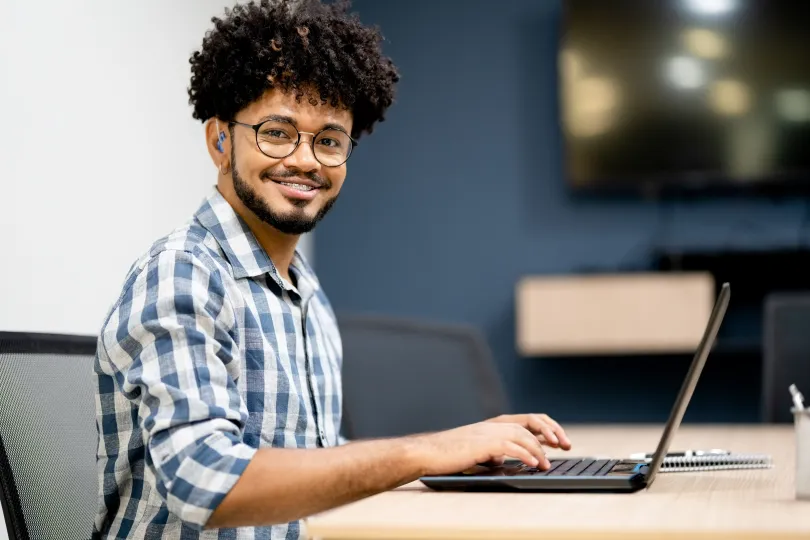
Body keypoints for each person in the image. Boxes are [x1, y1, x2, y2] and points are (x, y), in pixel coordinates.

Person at [92, 1, 572, 538]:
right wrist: (426, 450)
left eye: (329, 141)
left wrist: (459, 450)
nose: (305, 160)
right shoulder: (183, 274)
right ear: (220, 141)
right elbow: (207, 480)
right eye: (277, 131)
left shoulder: (306, 293)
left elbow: (315, 469)